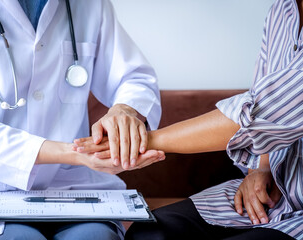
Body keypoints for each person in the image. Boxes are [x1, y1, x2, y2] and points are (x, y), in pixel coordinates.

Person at [75, 0, 303, 239]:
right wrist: (260, 168)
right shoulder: (281, 10)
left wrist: (141, 141)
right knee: (148, 235)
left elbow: (263, 111)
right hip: (271, 192)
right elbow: (263, 87)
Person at [0, 0, 165, 239]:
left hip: (77, 186)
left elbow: (134, 77)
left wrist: (125, 110)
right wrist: (75, 153)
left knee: (95, 237)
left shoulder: (89, 5)